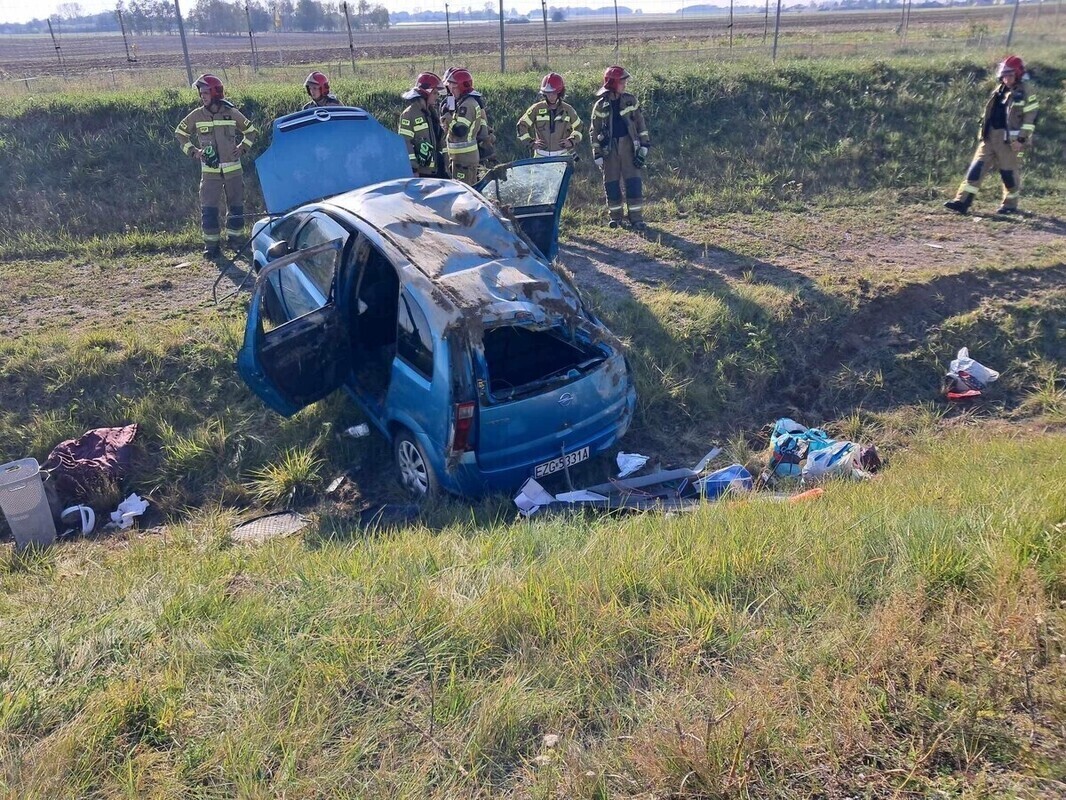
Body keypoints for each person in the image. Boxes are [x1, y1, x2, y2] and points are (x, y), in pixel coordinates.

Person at [944, 55, 1039, 216]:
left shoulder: (1026, 92)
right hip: (989, 137)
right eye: (1004, 75)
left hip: (1010, 142)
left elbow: (1030, 119)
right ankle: (962, 202)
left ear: (1017, 74)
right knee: (975, 170)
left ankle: (1010, 205)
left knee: (1008, 175)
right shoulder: (999, 90)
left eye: (1009, 75)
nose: (1006, 78)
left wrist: (1021, 139)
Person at [175, 74, 258, 257]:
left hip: (233, 172)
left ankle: (236, 242)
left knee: (236, 207)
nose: (202, 96)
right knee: (209, 209)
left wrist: (242, 148)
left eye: (205, 92)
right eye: (201, 93)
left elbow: (251, 131)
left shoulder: (231, 113)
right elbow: (180, 133)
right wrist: (193, 151)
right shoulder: (197, 115)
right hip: (210, 173)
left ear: (215, 93)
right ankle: (212, 247)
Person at [590, 65, 651, 229]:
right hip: (609, 149)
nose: (625, 85)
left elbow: (640, 124)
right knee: (611, 183)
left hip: (629, 146)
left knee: (633, 182)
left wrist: (644, 145)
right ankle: (616, 218)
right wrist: (597, 153)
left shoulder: (630, 100)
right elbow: (594, 131)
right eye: (622, 82)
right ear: (612, 83)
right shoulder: (600, 106)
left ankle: (636, 218)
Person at [517, 72, 583, 158]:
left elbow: (579, 126)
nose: (550, 96)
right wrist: (530, 143)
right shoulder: (536, 109)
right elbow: (521, 125)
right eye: (548, 93)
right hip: (541, 157)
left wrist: (571, 141)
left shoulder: (568, 109)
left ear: (560, 92)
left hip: (562, 156)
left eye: (553, 93)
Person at [442, 68, 487, 185]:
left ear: (461, 87)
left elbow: (461, 131)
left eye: (453, 87)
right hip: (462, 159)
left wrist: (447, 117)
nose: (451, 91)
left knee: (465, 191)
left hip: (464, 160)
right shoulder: (467, 102)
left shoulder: (466, 105)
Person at [398, 72, 446, 178]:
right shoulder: (409, 114)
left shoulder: (431, 112)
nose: (437, 96)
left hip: (438, 168)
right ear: (426, 93)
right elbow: (405, 143)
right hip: (422, 172)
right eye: (435, 93)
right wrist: (413, 169)